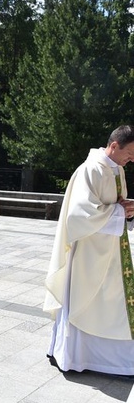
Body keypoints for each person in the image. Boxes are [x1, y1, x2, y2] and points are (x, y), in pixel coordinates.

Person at [45, 124, 134, 375]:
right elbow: (79, 215)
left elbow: (114, 205)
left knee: (112, 303)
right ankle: (76, 357)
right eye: (129, 154)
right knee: (86, 301)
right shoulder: (91, 169)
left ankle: (116, 360)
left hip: (112, 249)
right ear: (114, 146)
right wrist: (120, 211)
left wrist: (126, 210)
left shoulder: (116, 170)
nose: (132, 160)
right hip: (88, 252)